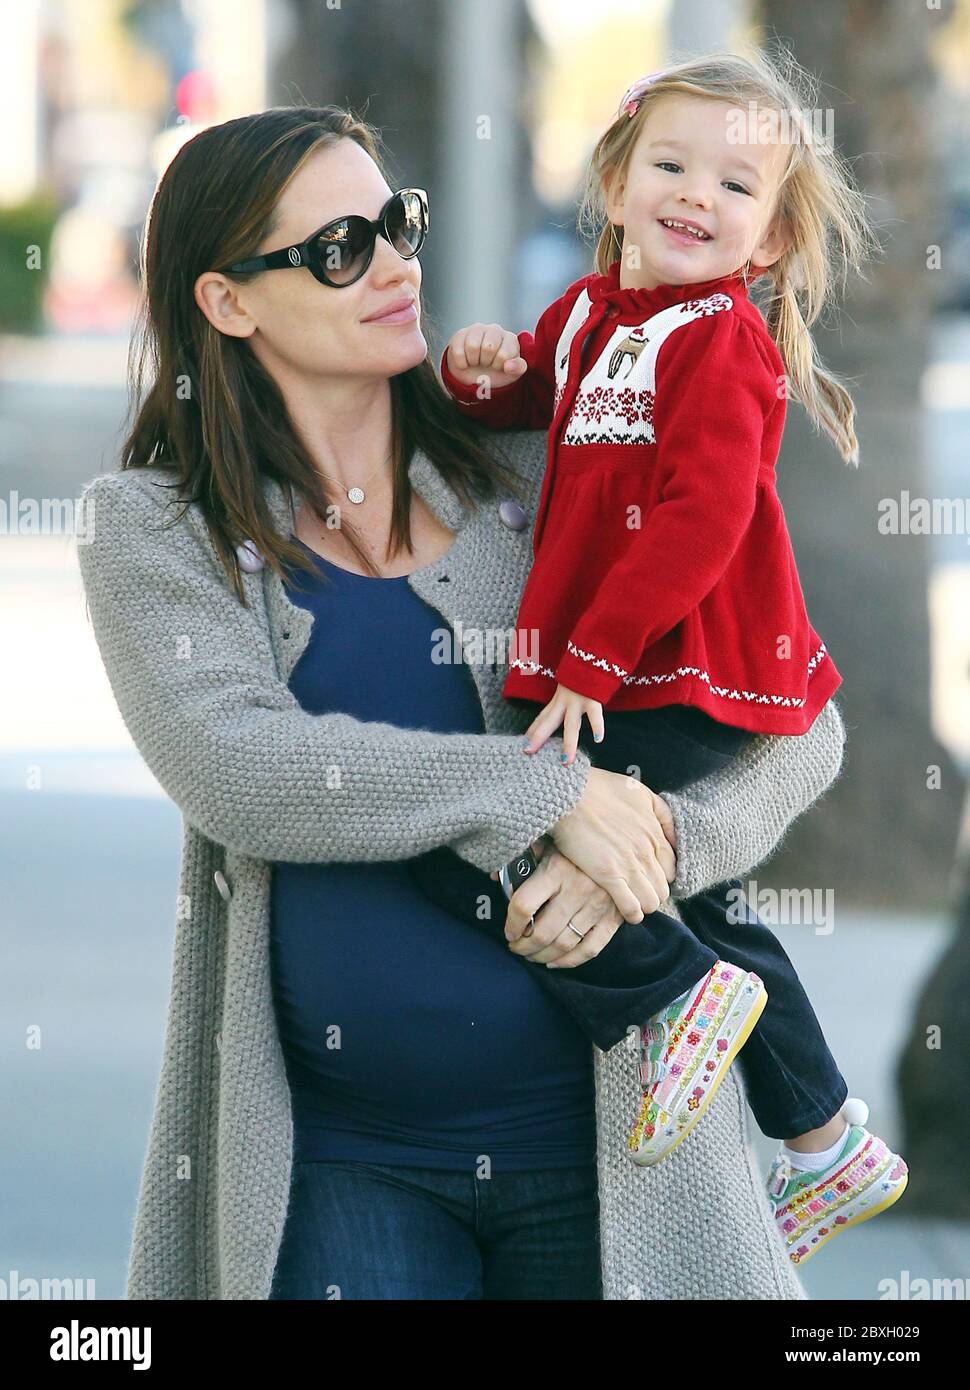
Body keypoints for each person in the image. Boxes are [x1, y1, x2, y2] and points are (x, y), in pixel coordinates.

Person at [77, 101, 848, 1299]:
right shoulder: (156, 528)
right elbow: (243, 773)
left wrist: (629, 856)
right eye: (339, 249)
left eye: (397, 223)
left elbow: (801, 725)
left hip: (614, 1159)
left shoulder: (548, 465)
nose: (394, 266)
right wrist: (547, 795)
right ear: (227, 302)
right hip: (341, 1164)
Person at [431, 51, 907, 1263]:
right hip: (631, 661)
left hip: (690, 662)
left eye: (736, 185)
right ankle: (822, 1134)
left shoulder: (722, 342)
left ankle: (668, 995)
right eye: (673, 165)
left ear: (773, 236)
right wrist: (475, 368)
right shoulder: (589, 311)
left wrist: (589, 660)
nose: (698, 195)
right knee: (698, 886)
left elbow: (703, 519)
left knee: (536, 821)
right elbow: (520, 398)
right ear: (617, 176)